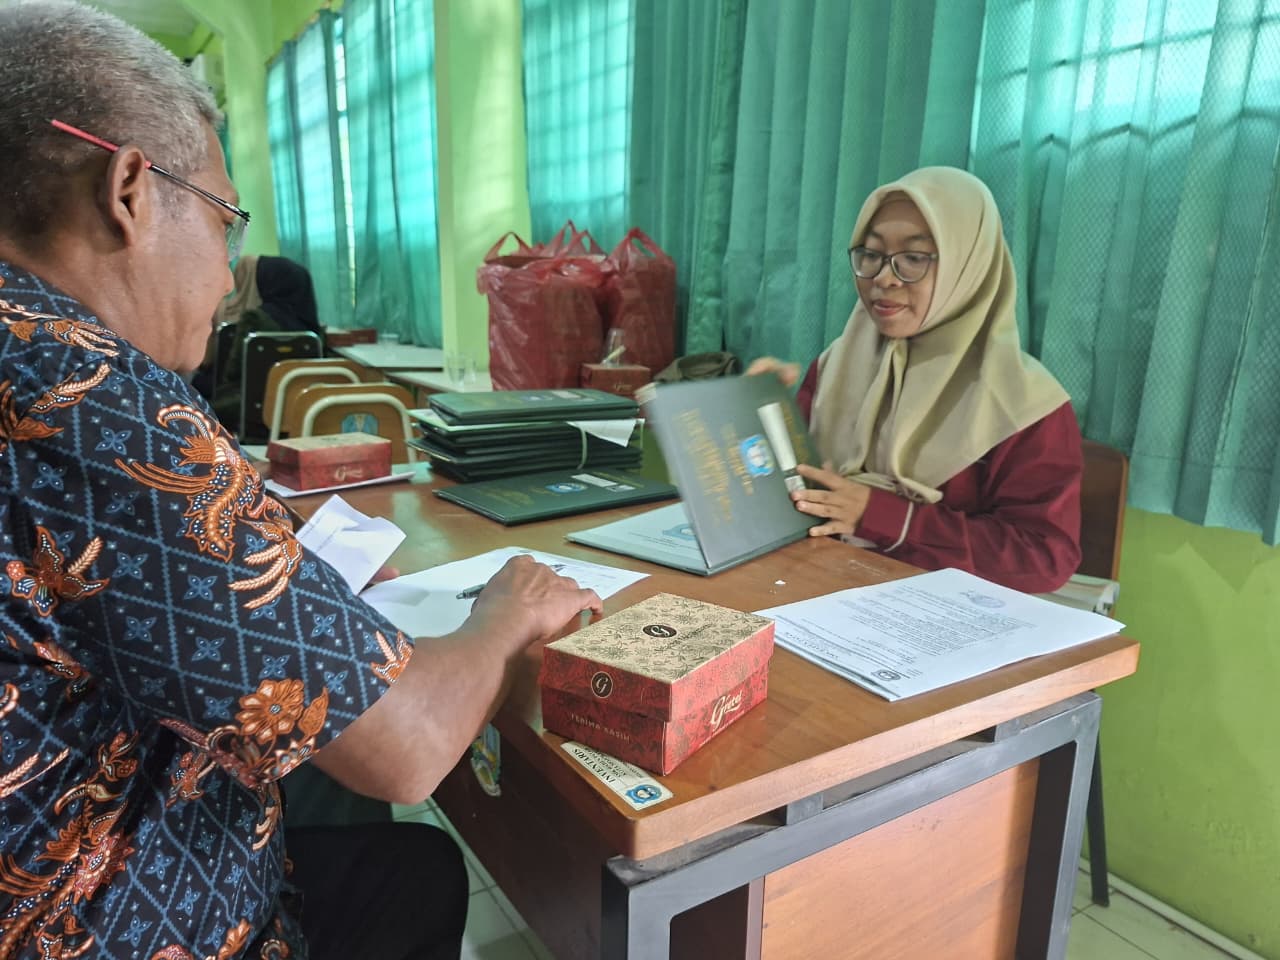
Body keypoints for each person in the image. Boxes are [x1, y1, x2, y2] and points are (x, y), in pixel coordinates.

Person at [0, 4, 600, 959]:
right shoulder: (88, 390)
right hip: (109, 917)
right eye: (225, 220)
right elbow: (406, 748)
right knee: (410, 859)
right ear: (129, 190)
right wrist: (506, 612)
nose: (231, 270)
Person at [748, 166, 1081, 594]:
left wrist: (886, 517)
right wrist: (761, 416)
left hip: (941, 621)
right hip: (819, 590)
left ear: (968, 265)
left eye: (914, 258)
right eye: (870, 255)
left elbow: (1043, 558)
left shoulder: (1024, 403)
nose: (883, 278)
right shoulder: (835, 368)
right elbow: (797, 495)